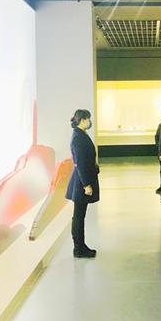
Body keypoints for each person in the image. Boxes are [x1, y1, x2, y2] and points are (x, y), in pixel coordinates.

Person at [65, 109, 99, 259]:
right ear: (83, 120)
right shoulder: (78, 137)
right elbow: (80, 163)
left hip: (82, 179)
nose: (90, 121)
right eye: (88, 119)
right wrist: (86, 185)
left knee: (80, 215)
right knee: (78, 216)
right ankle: (78, 248)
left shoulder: (81, 134)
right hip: (80, 182)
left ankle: (81, 246)